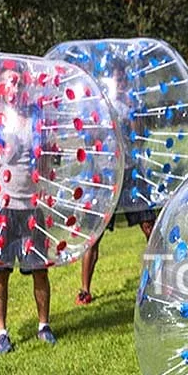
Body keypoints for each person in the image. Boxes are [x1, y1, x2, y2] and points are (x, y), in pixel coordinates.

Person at [76, 65, 157, 304]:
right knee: (95, 233)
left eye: (123, 80)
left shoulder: (134, 106)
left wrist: (133, 114)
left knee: (149, 225)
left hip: (131, 171)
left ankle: (158, 278)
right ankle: (84, 289)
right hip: (107, 174)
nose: (120, 84)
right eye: (116, 80)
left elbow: (140, 137)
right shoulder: (99, 107)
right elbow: (90, 138)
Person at [0, 67, 56, 352]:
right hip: (0, 205)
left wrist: (52, 158)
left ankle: (43, 325)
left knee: (39, 269)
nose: (14, 89)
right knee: (0, 272)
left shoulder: (36, 120)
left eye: (18, 83)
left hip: (31, 204)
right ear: (0, 88)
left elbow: (48, 164)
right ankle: (1, 333)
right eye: (8, 84)